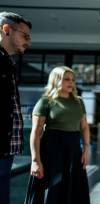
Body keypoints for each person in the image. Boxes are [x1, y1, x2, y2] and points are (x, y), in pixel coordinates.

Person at [24, 66, 90, 204]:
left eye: (72, 79)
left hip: (73, 152)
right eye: (66, 79)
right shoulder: (45, 102)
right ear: (56, 81)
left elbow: (84, 127)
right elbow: (36, 132)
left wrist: (86, 149)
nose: (71, 82)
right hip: (51, 153)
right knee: (52, 190)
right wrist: (35, 161)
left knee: (74, 192)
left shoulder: (79, 102)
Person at [0, 11, 32, 204]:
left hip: (5, 149)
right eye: (25, 35)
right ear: (6, 30)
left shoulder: (7, 62)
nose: (28, 41)